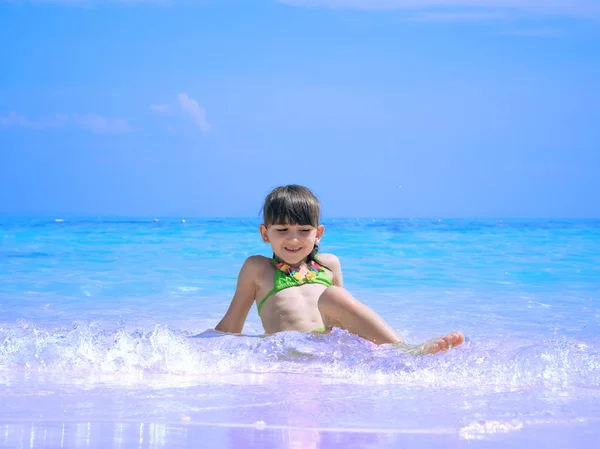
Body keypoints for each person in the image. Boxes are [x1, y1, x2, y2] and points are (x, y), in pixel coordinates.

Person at [215, 185, 464, 355]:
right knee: (334, 295)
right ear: (265, 234)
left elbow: (347, 318)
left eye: (304, 231)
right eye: (282, 230)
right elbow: (231, 326)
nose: (293, 239)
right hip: (290, 353)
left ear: (318, 234)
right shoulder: (258, 268)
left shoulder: (328, 264)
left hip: (329, 350)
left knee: (335, 296)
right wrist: (190, 346)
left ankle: (405, 351)